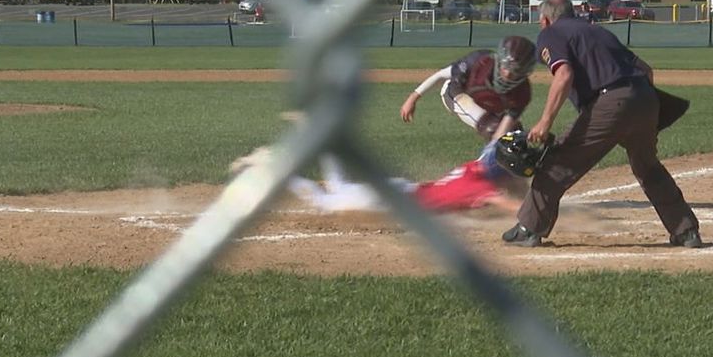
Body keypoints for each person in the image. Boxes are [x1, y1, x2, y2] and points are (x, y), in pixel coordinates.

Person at [502, 0, 702, 249]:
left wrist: (545, 122)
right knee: (648, 167)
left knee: (557, 163)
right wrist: (635, 110)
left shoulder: (551, 33)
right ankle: (686, 231)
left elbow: (563, 75)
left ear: (545, 19)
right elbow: (647, 70)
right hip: (646, 98)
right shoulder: (598, 31)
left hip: (610, 102)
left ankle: (528, 229)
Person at [234, 130, 547, 214]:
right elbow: (516, 209)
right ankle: (268, 166)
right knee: (325, 202)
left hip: (398, 192)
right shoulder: (480, 190)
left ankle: (327, 140)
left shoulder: (473, 169)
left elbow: (494, 159)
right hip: (388, 200)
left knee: (338, 187)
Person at [399, 35, 536, 141]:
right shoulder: (479, 62)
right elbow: (442, 75)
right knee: (492, 127)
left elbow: (507, 124)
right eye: (505, 66)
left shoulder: (523, 92)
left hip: (490, 106)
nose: (507, 73)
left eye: (516, 70)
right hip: (455, 94)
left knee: (514, 134)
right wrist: (413, 98)